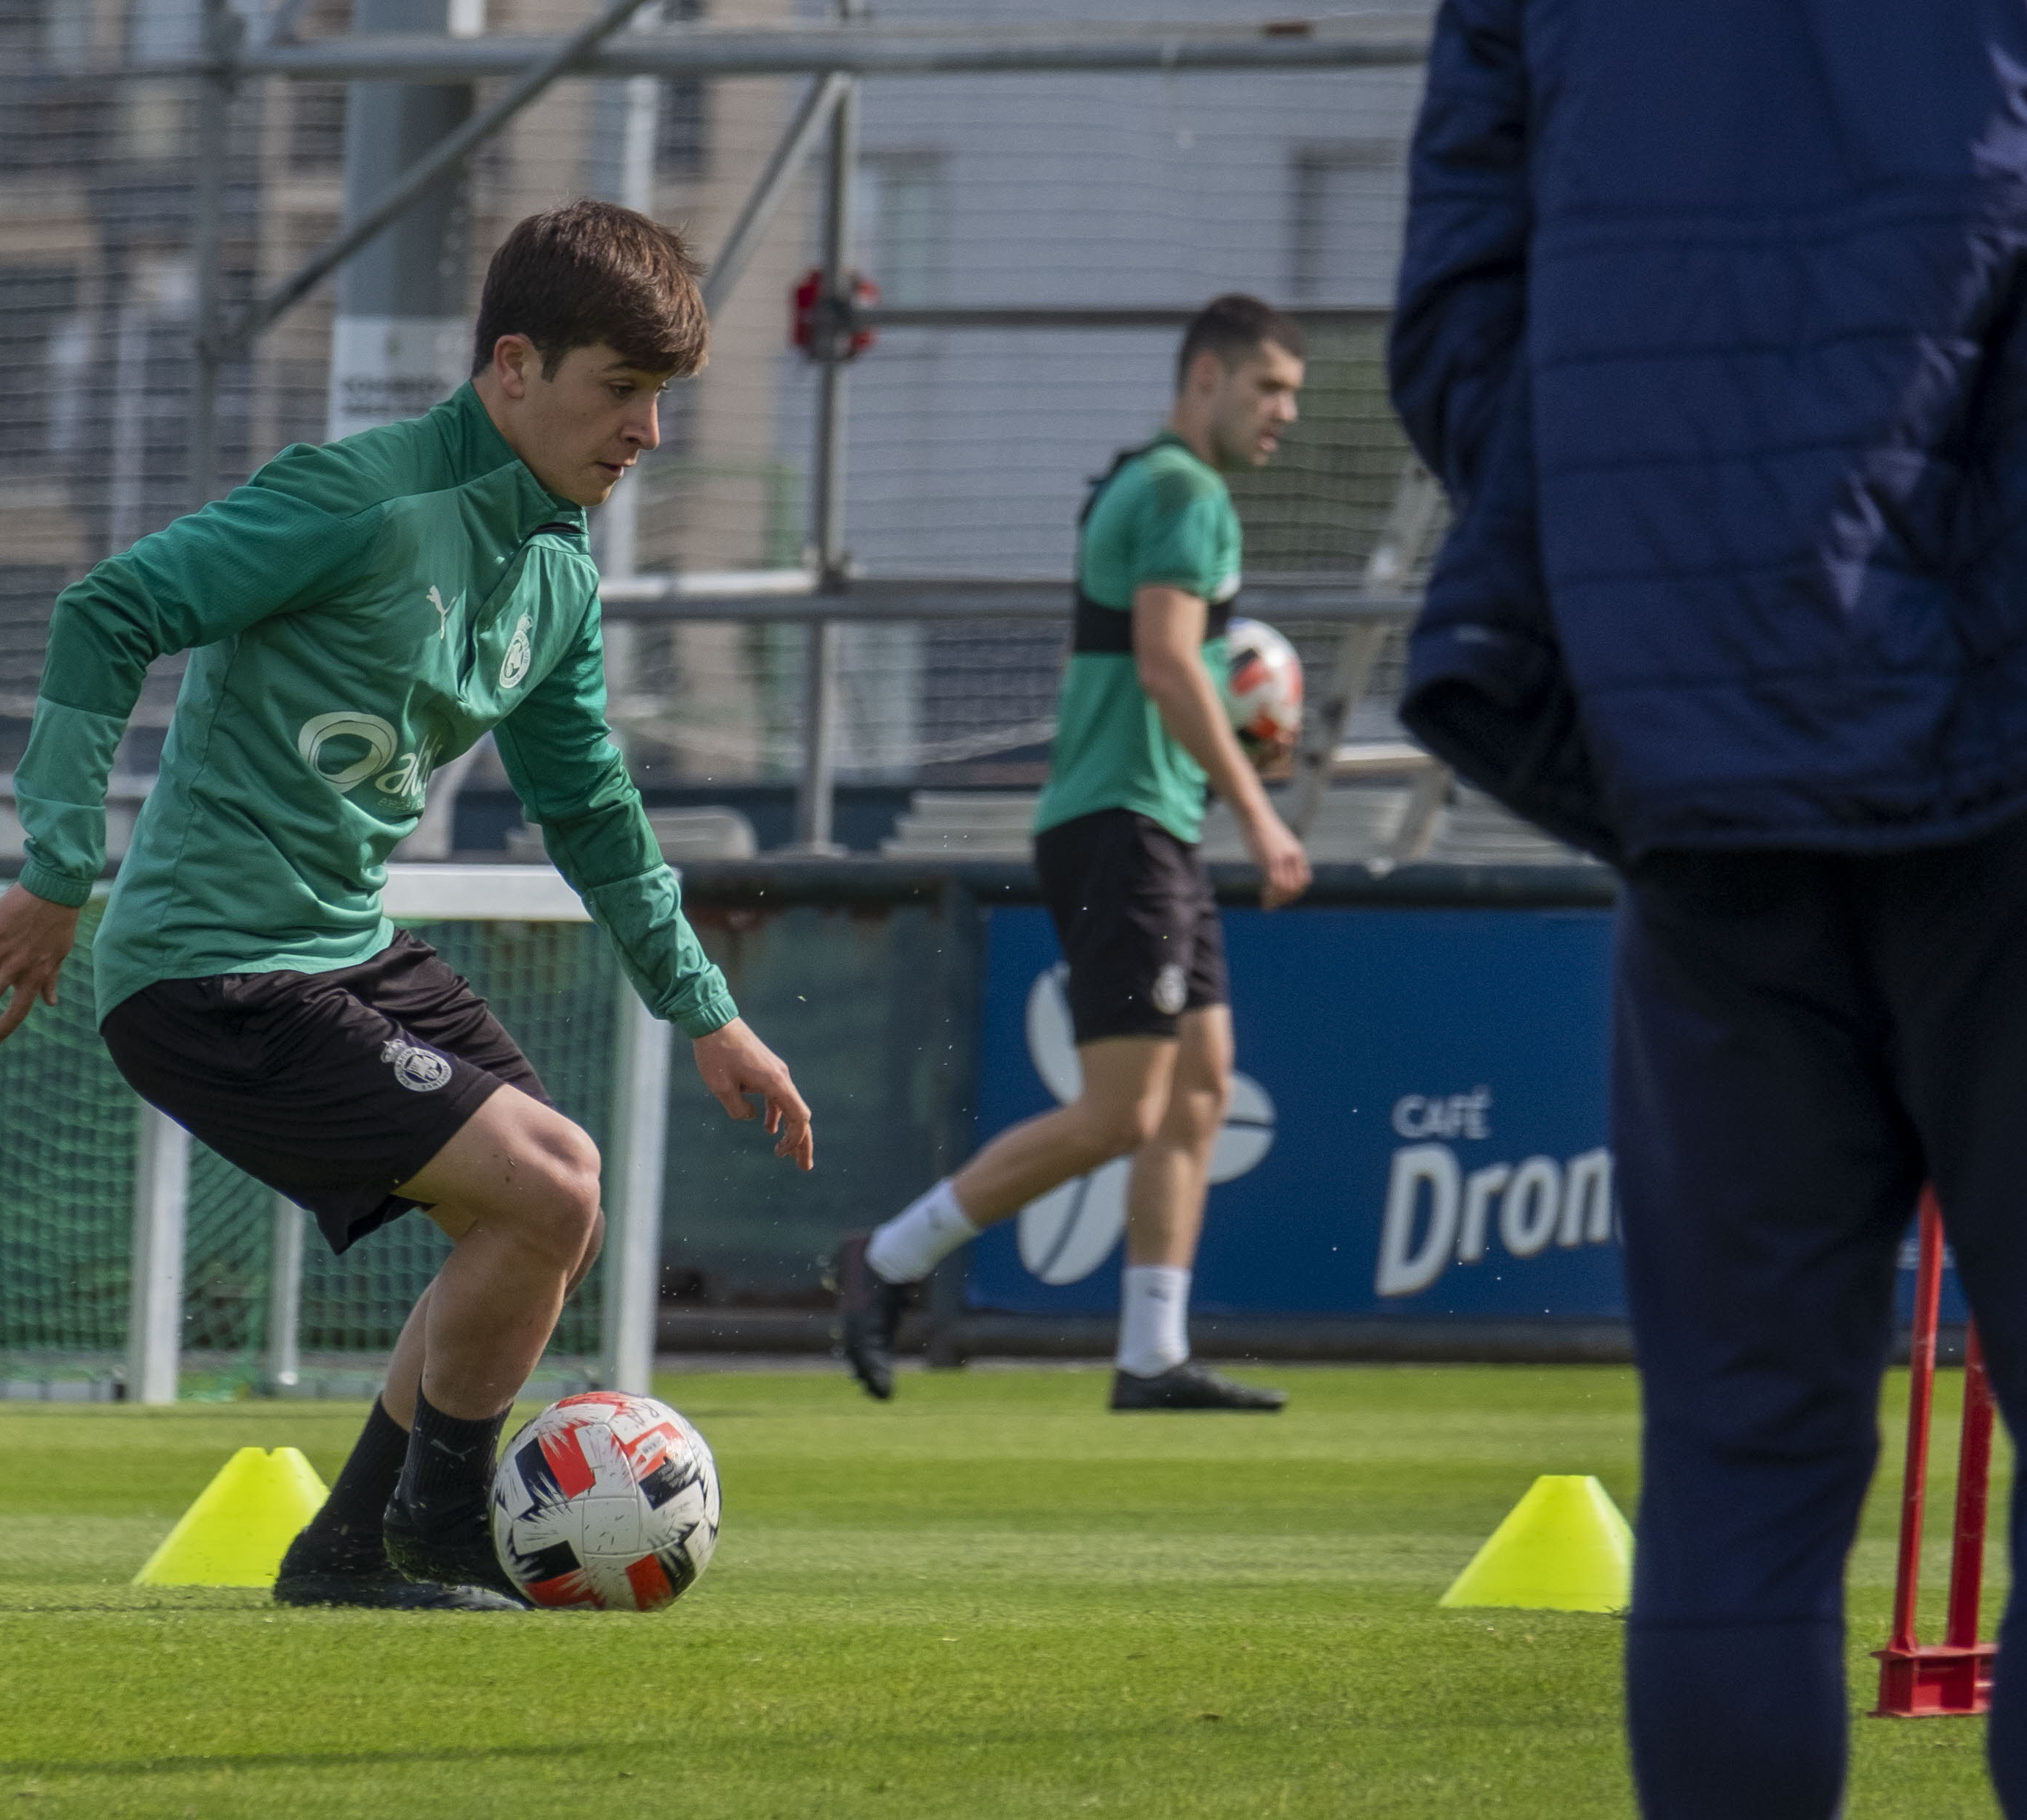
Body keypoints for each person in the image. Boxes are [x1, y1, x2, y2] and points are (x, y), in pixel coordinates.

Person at [0, 202, 813, 1612]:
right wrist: (55, 869)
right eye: (624, 393)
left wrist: (709, 1017)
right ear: (514, 366)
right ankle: (434, 1531)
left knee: (543, 1211)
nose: (647, 436)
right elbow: (107, 610)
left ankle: (349, 1548)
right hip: (207, 975)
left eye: (663, 403)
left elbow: (591, 814)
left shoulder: (558, 574)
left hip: (338, 950)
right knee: (543, 1189)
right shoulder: (360, 498)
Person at [1394, 4, 2027, 1813]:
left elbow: (1456, 320)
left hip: (1698, 752)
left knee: (1741, 1466)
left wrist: (1646, 579)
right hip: (1979, 747)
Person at [838, 294, 1313, 1412]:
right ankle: (889, 1260)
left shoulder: (1135, 480)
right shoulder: (1186, 493)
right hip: (1126, 826)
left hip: (1140, 820)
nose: (1283, 413)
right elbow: (1164, 662)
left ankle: (1151, 1352)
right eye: (1268, 388)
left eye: (1292, 393)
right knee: (1120, 1114)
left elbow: (1125, 657)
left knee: (1198, 1089)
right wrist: (1261, 811)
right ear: (1206, 376)